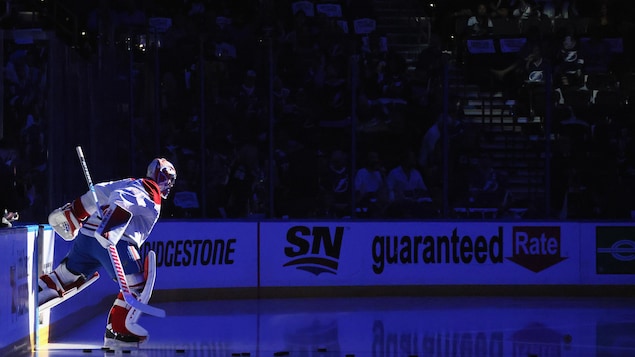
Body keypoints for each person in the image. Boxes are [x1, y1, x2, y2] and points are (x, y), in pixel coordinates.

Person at [38, 158, 177, 348]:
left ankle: (41, 291)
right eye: (167, 178)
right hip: (116, 241)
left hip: (87, 237)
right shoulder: (150, 190)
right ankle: (119, 330)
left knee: (67, 274)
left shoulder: (131, 181)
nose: (168, 183)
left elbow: (100, 191)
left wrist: (76, 213)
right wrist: (111, 224)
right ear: (158, 176)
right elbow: (125, 197)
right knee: (137, 287)